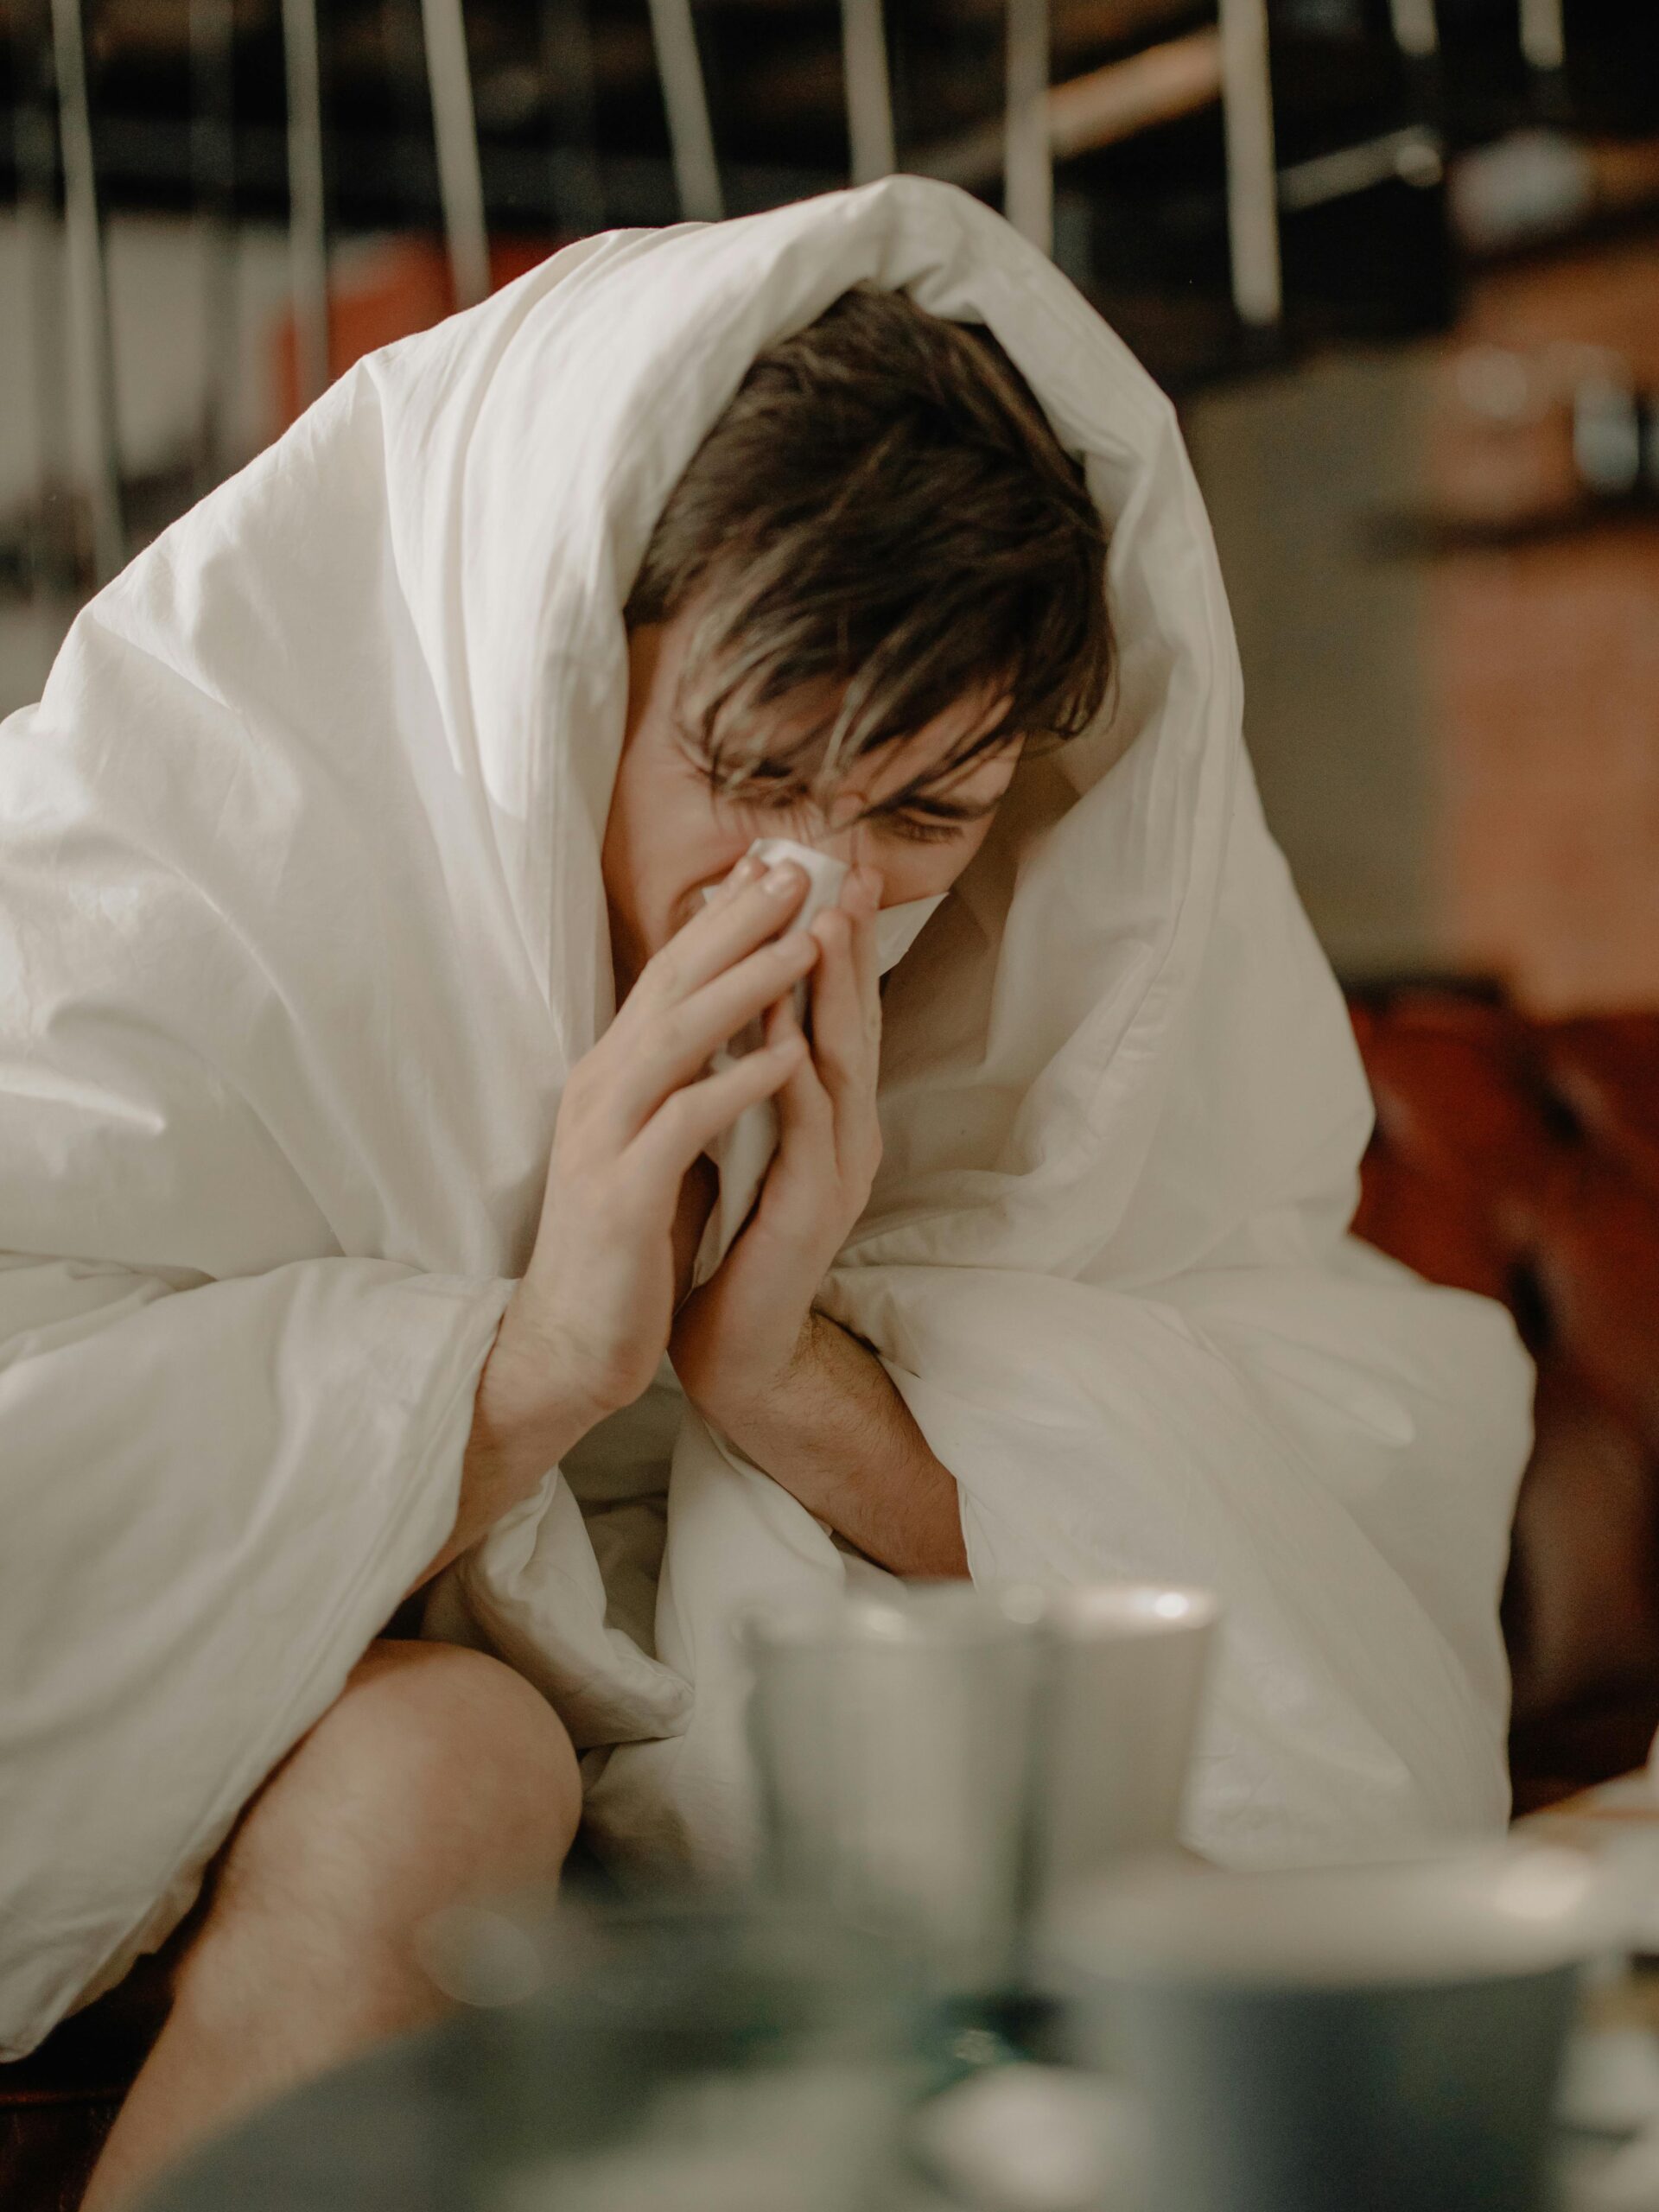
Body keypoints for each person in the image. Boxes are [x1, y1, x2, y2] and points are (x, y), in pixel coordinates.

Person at [0, 178, 1531, 2207]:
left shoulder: (1020, 991)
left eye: (923, 811)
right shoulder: (147, 894)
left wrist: (779, 1368)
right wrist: (540, 1360)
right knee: (451, 1755)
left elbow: (1296, 1670)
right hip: (228, 1788)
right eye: (750, 768)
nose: (810, 889)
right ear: (564, 657)